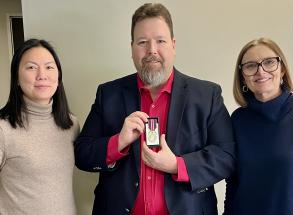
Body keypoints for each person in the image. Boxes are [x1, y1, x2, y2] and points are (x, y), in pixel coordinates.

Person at [75, 3, 235, 215]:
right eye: (142, 42)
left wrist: (177, 165)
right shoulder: (108, 94)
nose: (152, 50)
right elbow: (83, 154)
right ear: (131, 48)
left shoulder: (207, 95)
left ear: (173, 45)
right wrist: (117, 143)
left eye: (160, 41)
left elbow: (226, 156)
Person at [0, 39, 80, 215]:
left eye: (49, 67)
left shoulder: (71, 124)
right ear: (17, 78)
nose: (42, 75)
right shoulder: (3, 129)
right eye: (31, 67)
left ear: (58, 77)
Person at [223, 38, 293, 215]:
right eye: (250, 66)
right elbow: (233, 183)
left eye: (269, 62)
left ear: (282, 70)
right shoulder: (237, 120)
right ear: (243, 77)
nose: (260, 71)